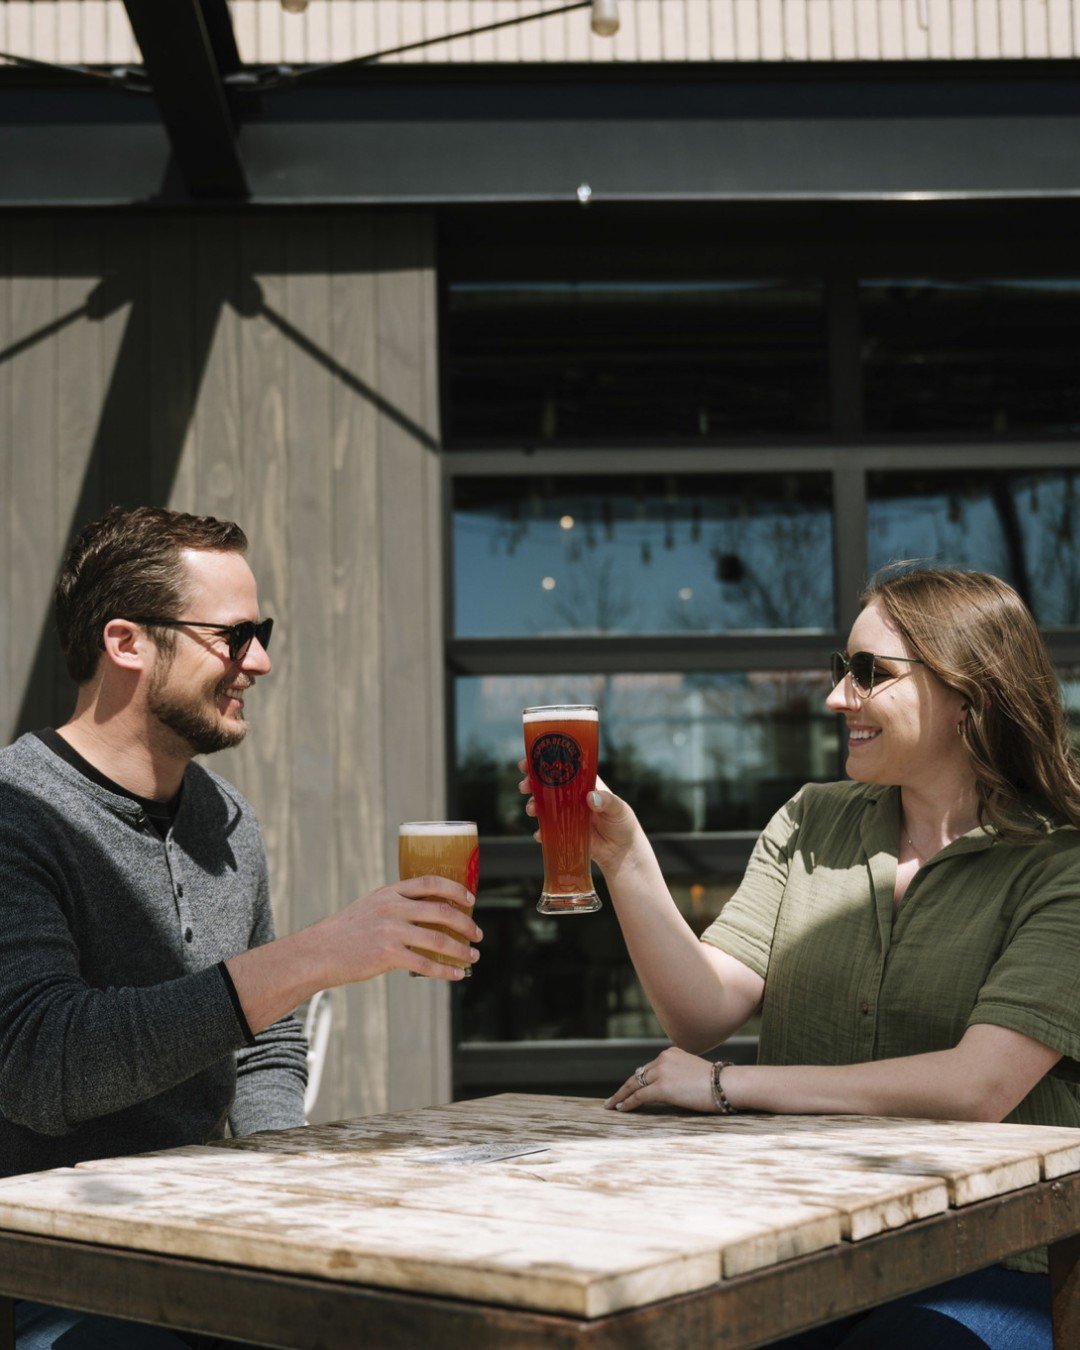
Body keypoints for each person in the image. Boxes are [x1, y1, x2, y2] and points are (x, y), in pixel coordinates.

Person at [521, 565, 1080, 1350]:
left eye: (868, 674)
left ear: (968, 697)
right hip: (803, 1244)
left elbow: (976, 1086)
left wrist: (728, 1087)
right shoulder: (811, 821)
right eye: (839, 671)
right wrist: (626, 858)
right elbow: (702, 1009)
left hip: (989, 1259)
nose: (835, 698)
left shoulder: (1063, 863)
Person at [1, 505, 482, 1350]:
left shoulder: (225, 818)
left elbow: (266, 1043)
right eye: (234, 635)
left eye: (262, 632)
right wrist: (311, 956)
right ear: (127, 643)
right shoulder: (18, 812)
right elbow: (45, 1067)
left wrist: (276, 1187)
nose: (258, 660)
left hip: (210, 1251)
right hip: (60, 1272)